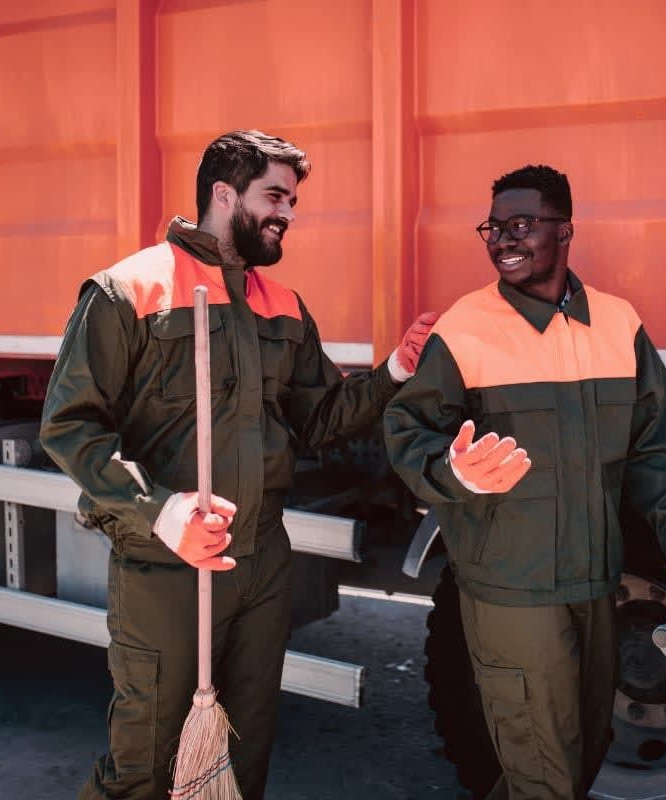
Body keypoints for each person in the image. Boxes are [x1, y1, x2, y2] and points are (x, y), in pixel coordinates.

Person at [40, 129, 436, 800]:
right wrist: (160, 511)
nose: (288, 213)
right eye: (274, 195)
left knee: (240, 759)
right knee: (145, 762)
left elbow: (318, 419)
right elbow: (69, 426)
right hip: (165, 566)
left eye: (292, 200)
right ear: (223, 194)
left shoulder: (280, 305)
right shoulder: (128, 290)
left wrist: (396, 371)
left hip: (261, 565)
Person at [384, 165, 666, 800]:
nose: (503, 240)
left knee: (581, 756)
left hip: (594, 582)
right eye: (493, 227)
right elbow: (408, 429)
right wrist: (453, 470)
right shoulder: (466, 327)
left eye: (522, 225)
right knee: (546, 772)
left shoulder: (619, 325)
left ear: (565, 230)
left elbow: (658, 455)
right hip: (512, 590)